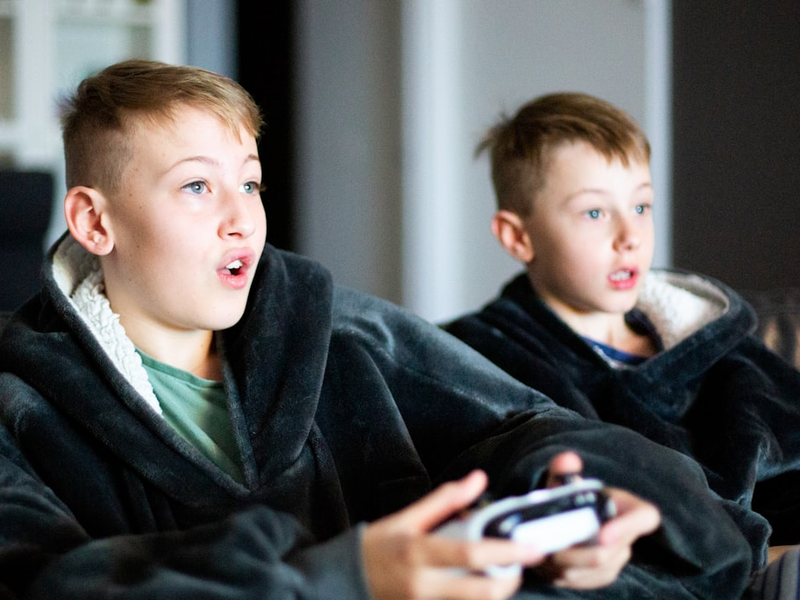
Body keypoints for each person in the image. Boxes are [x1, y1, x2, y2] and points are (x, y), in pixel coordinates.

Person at [0, 62, 753, 599]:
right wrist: (344, 579)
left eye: (251, 183)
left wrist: (584, 503)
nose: (242, 219)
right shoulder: (21, 397)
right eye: (198, 187)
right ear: (95, 221)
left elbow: (532, 422)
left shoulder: (340, 328)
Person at [443, 91, 800, 594]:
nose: (629, 234)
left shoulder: (710, 341)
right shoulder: (483, 356)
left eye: (640, 204)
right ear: (518, 238)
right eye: (595, 213)